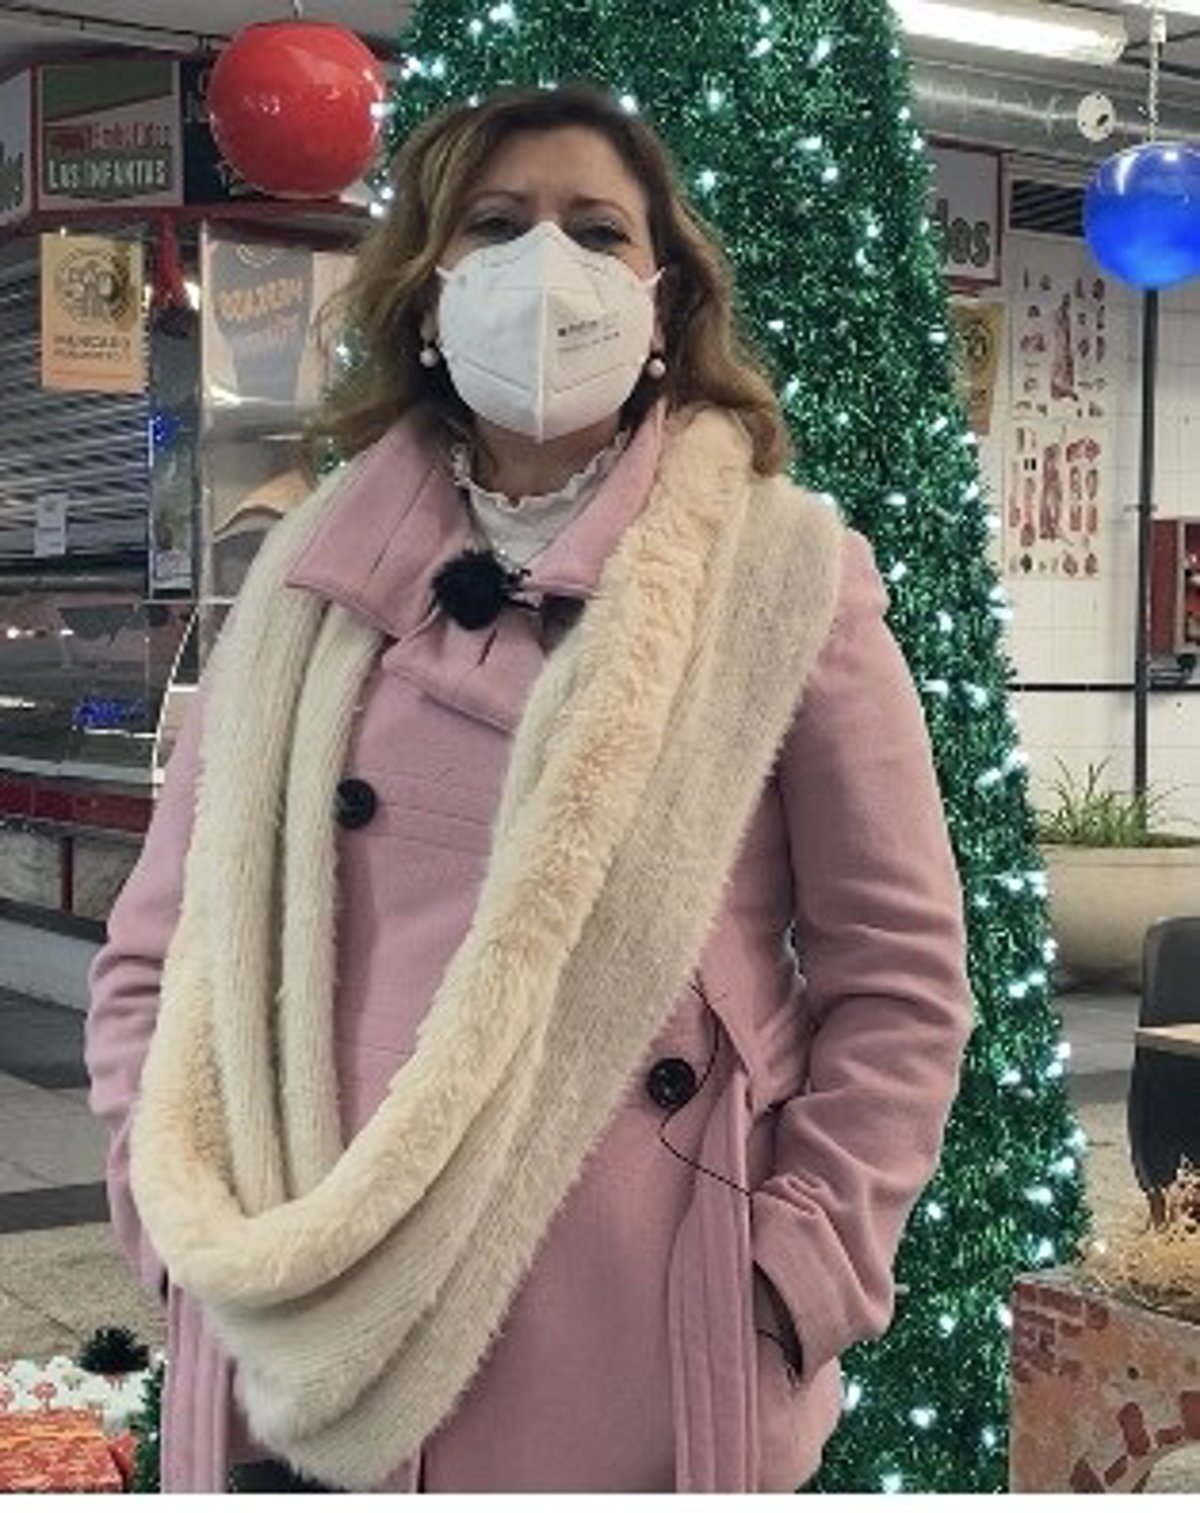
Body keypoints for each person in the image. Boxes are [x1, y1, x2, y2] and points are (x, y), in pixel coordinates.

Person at [85, 84, 972, 1495]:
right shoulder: (307, 581)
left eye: (596, 230)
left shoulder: (783, 579)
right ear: (431, 293)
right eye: (496, 226)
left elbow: (903, 977)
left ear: (665, 298)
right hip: (300, 1303)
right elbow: (157, 949)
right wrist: (169, 1211)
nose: (546, 265)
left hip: (635, 1325)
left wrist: (799, 1264)